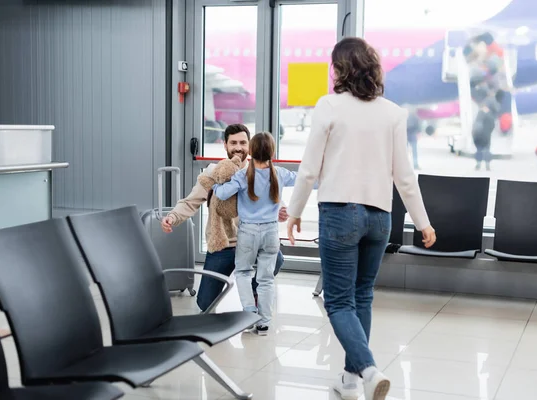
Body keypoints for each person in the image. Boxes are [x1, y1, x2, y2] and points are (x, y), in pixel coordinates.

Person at [286, 37, 436, 400]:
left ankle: (368, 371)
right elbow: (405, 177)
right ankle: (350, 381)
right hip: (380, 218)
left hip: (340, 213)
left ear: (340, 69)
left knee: (338, 302)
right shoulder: (393, 113)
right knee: (362, 297)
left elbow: (308, 171)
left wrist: (294, 212)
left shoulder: (329, 106)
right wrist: (423, 222)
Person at [161, 124, 286, 312]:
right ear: (225, 146)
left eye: (243, 143)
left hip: (253, 242)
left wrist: (281, 211)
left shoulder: (260, 173)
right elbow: (190, 202)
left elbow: (275, 202)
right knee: (205, 304)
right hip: (223, 246)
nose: (238, 147)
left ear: (250, 147)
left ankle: (254, 291)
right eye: (233, 143)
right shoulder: (212, 174)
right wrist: (172, 217)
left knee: (277, 258)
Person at [212, 132, 298, 336]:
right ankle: (264, 323)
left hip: (248, 232)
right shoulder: (280, 173)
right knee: (266, 278)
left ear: (250, 151)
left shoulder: (243, 175)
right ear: (272, 151)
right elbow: (308, 180)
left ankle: (250, 313)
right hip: (271, 232)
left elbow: (223, 193)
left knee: (243, 272)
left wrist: (215, 185)